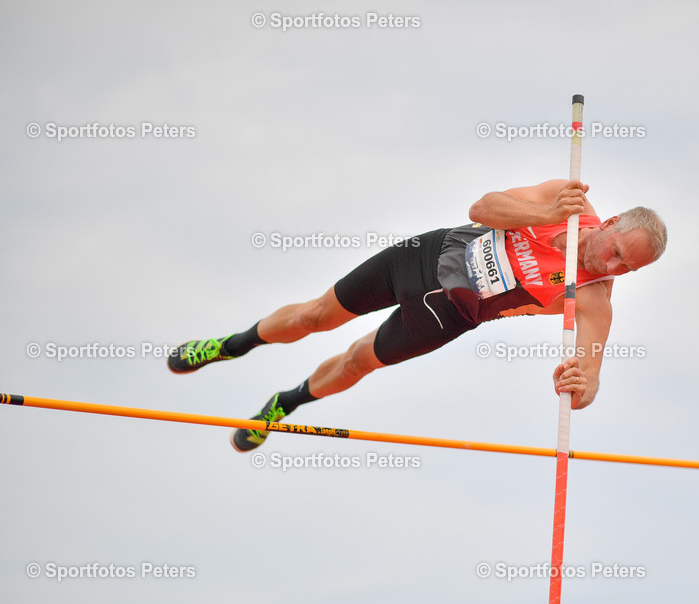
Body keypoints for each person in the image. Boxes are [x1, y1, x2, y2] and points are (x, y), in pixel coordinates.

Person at [167, 179, 667, 452]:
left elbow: (591, 379)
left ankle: (284, 403)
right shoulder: (566, 201)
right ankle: (232, 346)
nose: (613, 266)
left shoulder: (595, 297)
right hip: (421, 258)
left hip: (445, 317)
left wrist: (580, 385)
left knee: (356, 362)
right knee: (317, 315)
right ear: (613, 221)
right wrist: (545, 216)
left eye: (628, 267)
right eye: (617, 251)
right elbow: (483, 206)